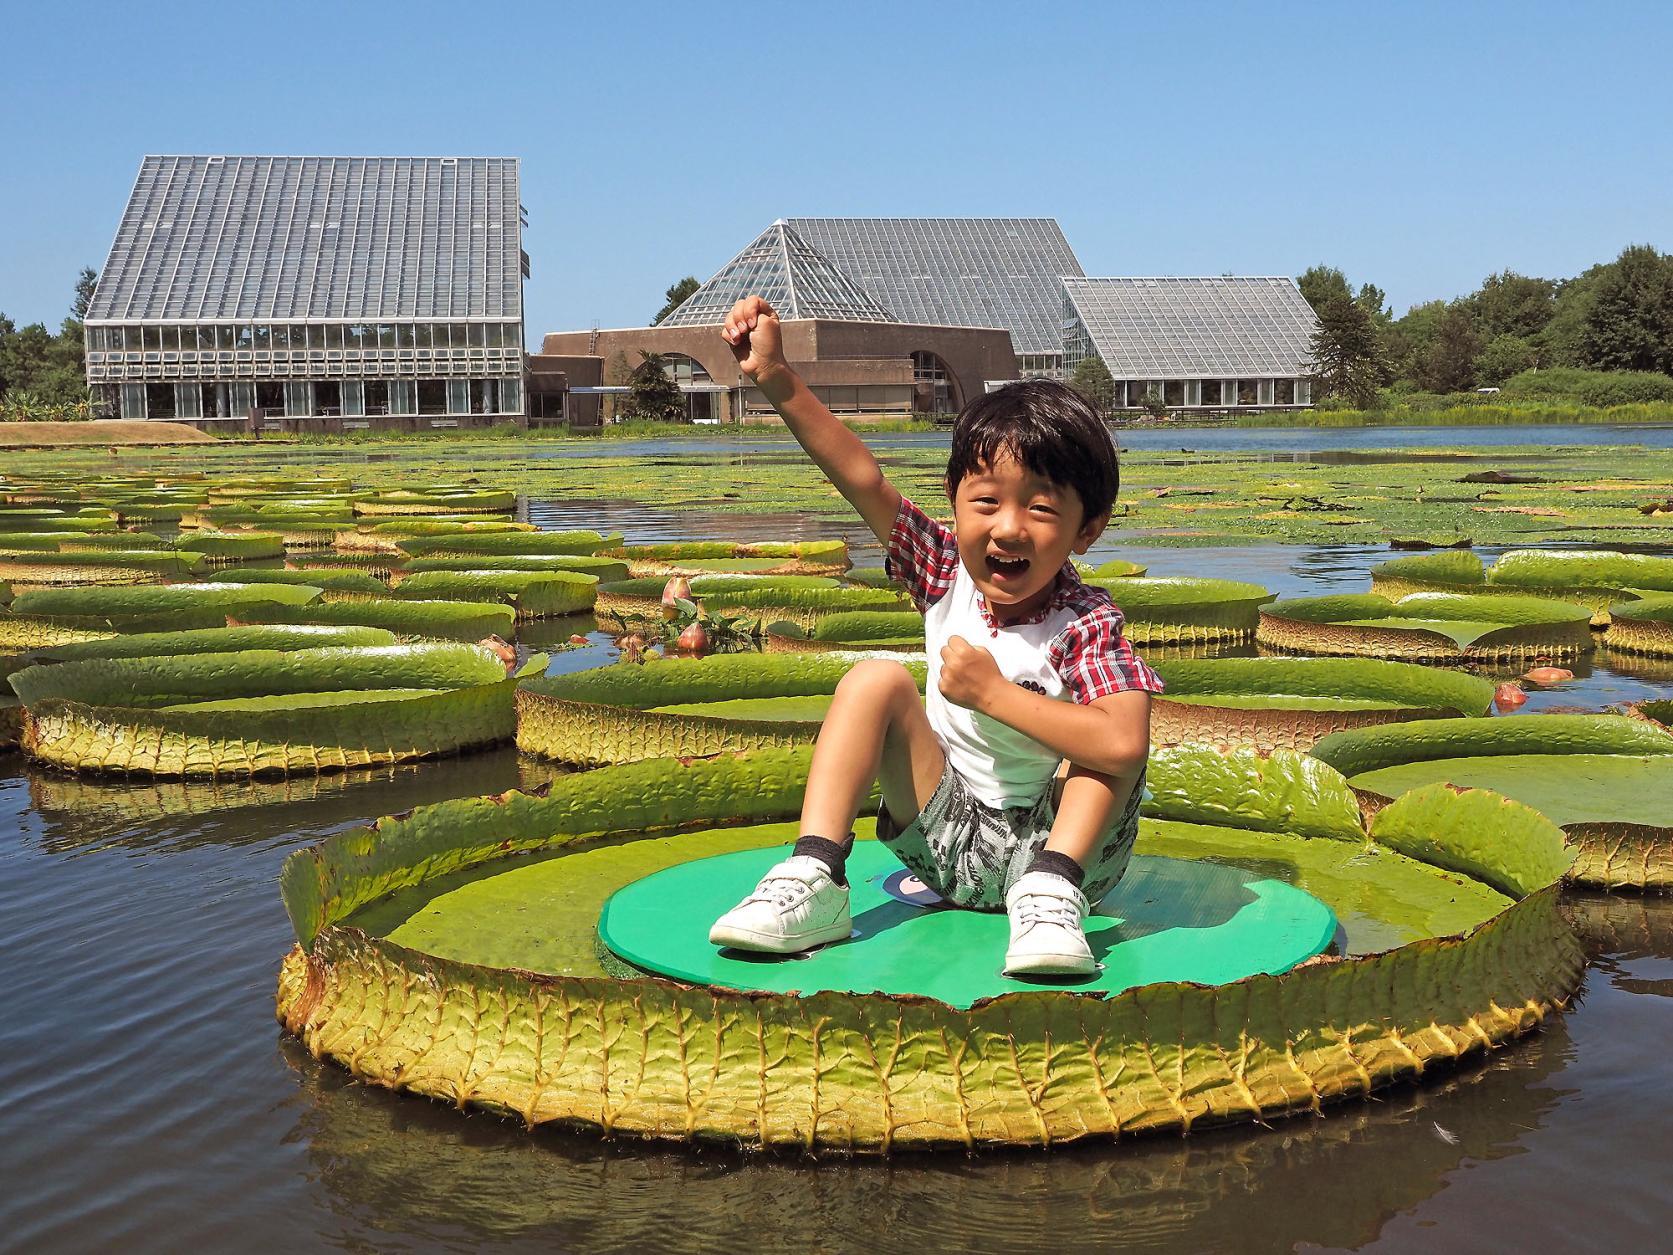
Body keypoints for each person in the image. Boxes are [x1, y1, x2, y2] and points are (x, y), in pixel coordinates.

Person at [708, 296, 1160, 976]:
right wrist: (774, 375)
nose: (1008, 528)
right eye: (985, 502)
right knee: (874, 680)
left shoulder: (1086, 619)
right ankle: (815, 872)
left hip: (1065, 852)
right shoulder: (943, 570)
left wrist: (992, 694)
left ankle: (1049, 890)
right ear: (953, 501)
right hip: (949, 845)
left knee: (1107, 740)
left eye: (1040, 508)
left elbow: (1124, 742)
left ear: (1085, 529)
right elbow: (860, 476)